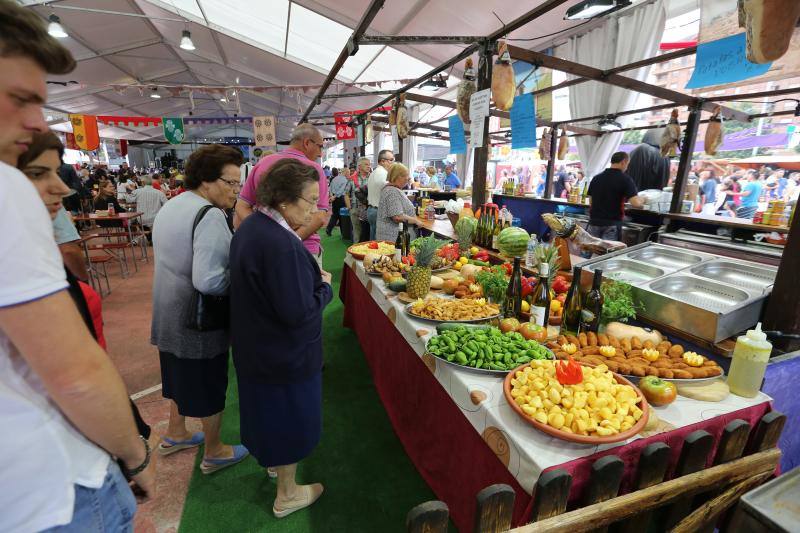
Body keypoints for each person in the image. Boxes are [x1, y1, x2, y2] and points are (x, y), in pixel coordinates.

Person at [0, 3, 154, 531]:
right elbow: (75, 373)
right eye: (20, 99)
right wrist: (134, 455)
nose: (40, 122)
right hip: (51, 486)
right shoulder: (4, 191)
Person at [230, 159, 332, 518]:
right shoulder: (280, 244)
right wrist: (323, 288)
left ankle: (275, 464)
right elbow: (298, 314)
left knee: (268, 415)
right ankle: (287, 493)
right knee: (288, 417)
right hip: (282, 354)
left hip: (257, 347)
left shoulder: (253, 226)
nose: (315, 209)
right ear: (284, 202)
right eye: (309, 200)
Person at [151, 144, 249, 474]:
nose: (236, 191)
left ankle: (176, 432)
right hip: (198, 321)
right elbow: (208, 281)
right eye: (230, 183)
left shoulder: (173, 204)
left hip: (166, 313)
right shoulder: (209, 216)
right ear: (207, 180)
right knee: (209, 385)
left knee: (178, 377)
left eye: (239, 183)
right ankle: (215, 450)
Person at [235, 124, 330, 268]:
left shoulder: (263, 163)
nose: (320, 153)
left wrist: (266, 235)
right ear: (307, 143)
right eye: (320, 146)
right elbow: (320, 216)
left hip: (263, 250)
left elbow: (242, 206)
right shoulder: (314, 169)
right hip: (303, 249)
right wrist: (288, 242)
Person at [586, 152, 644, 241]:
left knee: (588, 250)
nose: (627, 167)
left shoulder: (596, 178)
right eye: (627, 164)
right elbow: (636, 203)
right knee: (607, 253)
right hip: (611, 224)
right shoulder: (625, 179)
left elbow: (591, 201)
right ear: (624, 162)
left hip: (594, 222)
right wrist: (644, 199)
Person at [376, 163, 425, 242]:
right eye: (405, 175)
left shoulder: (393, 189)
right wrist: (416, 221)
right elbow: (397, 217)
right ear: (396, 176)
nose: (408, 178)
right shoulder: (391, 191)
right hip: (393, 239)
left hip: (394, 238)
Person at [130, 175, 167, 243]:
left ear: (143, 183)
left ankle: (139, 238)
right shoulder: (159, 193)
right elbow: (166, 204)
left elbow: (129, 200)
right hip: (155, 219)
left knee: (132, 221)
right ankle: (152, 236)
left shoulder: (137, 192)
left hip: (141, 219)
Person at [367, 149, 394, 240]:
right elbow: (389, 189)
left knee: (374, 239)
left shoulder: (375, 172)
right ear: (382, 161)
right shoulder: (382, 173)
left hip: (372, 209)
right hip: (377, 211)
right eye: (391, 160)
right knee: (378, 242)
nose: (392, 163)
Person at [350, 157, 372, 243]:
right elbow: (346, 194)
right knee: (357, 232)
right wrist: (350, 208)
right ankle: (355, 253)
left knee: (367, 233)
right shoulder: (352, 178)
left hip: (368, 209)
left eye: (369, 164)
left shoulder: (372, 177)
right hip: (355, 209)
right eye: (366, 164)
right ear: (359, 167)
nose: (369, 166)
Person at [325, 167, 351, 236]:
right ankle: (344, 233)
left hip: (334, 199)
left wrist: (331, 196)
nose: (349, 174)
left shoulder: (334, 178)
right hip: (341, 199)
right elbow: (341, 190)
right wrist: (335, 196)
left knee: (335, 215)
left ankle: (329, 229)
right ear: (345, 172)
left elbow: (330, 188)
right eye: (348, 173)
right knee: (342, 216)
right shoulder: (345, 180)